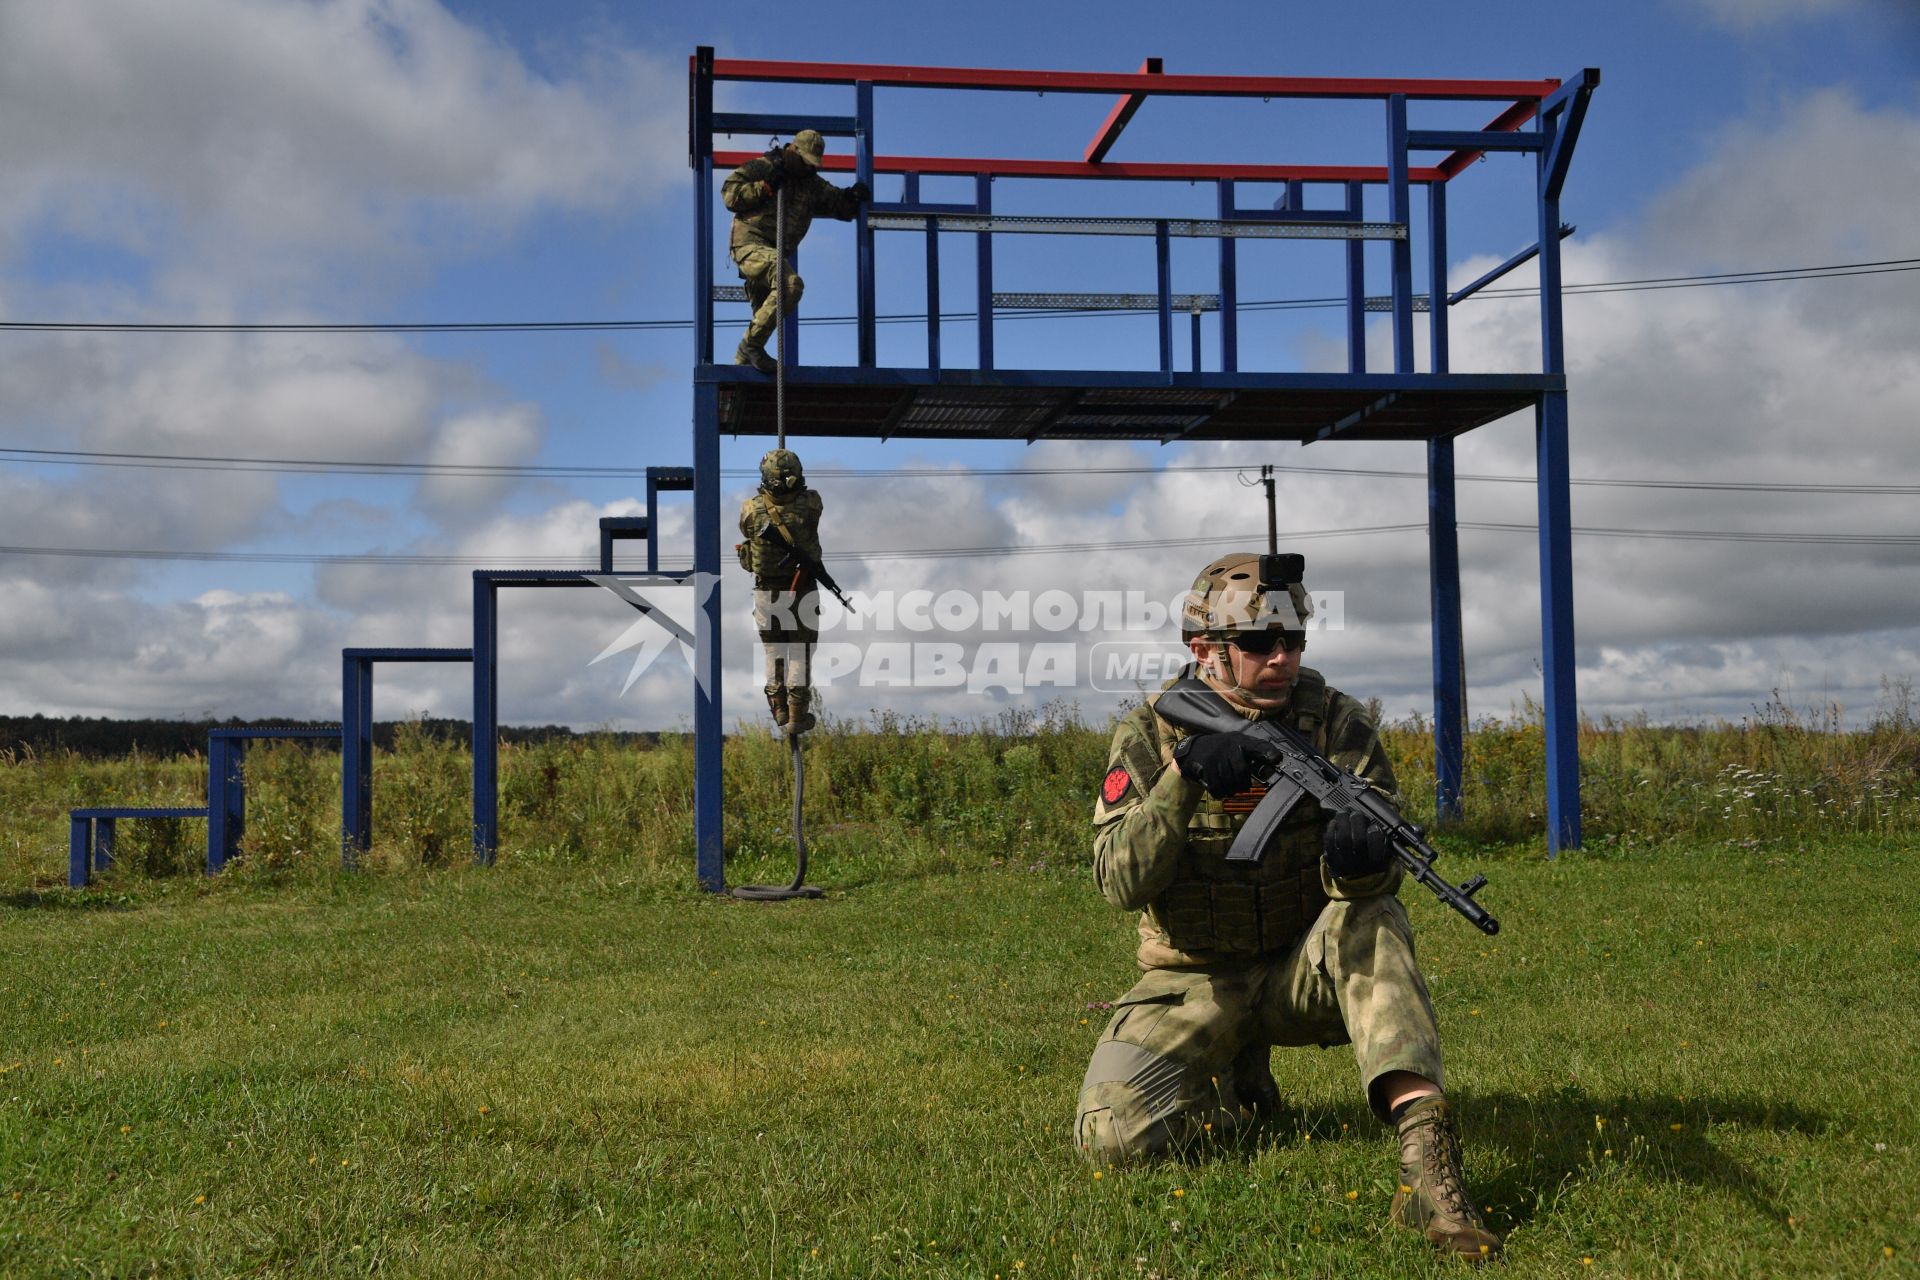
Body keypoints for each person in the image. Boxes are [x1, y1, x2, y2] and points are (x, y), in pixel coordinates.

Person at [1073, 550, 1502, 1263]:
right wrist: (1184, 778)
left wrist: (1362, 868)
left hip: (1298, 972)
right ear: (1202, 648)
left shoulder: (1337, 726)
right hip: (1191, 980)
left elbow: (1368, 889)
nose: (1281, 658)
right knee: (1110, 1139)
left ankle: (1428, 1167)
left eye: (1294, 641)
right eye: (1257, 644)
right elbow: (1119, 883)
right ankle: (1233, 1088)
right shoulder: (1151, 735)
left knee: (1378, 919)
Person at [720, 129, 870, 373]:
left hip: (775, 252)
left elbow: (838, 204)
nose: (810, 169)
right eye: (806, 163)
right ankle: (751, 347)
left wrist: (853, 196)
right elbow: (730, 195)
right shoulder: (764, 166)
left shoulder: (811, 184)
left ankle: (744, 359)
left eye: (814, 165)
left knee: (766, 313)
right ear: (793, 151)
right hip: (749, 244)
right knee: (790, 284)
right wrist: (766, 186)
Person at [737, 449, 824, 735]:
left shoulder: (749, 508)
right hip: (802, 590)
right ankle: (797, 715)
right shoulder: (812, 503)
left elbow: (745, 533)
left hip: (767, 592)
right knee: (799, 653)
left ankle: (778, 707)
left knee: (773, 650)